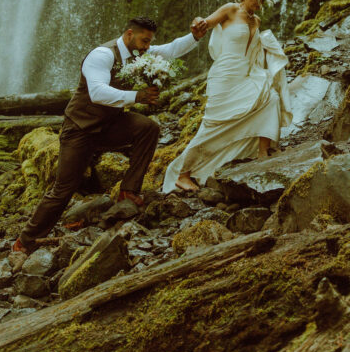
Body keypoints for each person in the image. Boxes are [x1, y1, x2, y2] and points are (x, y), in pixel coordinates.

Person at [13, 15, 208, 254]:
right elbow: (97, 92)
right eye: (144, 41)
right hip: (81, 128)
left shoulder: (139, 52)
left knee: (149, 128)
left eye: (149, 42)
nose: (147, 46)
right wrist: (137, 96)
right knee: (64, 189)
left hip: (111, 124)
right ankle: (25, 241)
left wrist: (195, 36)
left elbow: (169, 50)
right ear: (129, 34)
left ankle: (128, 190)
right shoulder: (102, 55)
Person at [163, 0, 291, 193]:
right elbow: (205, 22)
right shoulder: (230, 10)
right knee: (213, 125)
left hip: (246, 73)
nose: (259, 4)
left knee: (270, 99)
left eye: (262, 0)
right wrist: (197, 22)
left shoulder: (256, 21)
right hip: (225, 74)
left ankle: (263, 153)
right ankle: (183, 174)